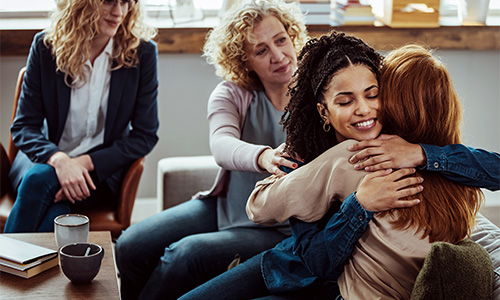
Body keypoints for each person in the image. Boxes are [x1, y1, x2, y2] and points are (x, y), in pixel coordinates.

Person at [179, 33, 497, 299]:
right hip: (293, 265)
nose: (363, 109)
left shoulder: (395, 150)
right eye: (345, 101)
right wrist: (360, 205)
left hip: (330, 283)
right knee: (188, 261)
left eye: (373, 95)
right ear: (324, 111)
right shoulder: (322, 154)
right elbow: (288, 232)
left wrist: (421, 153)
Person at [114, 1, 309, 299]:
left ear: (292, 35)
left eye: (281, 40)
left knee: (184, 254)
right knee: (130, 244)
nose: (278, 56)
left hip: (281, 229)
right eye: (261, 50)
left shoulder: (319, 94)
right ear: (244, 61)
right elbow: (221, 145)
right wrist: (263, 156)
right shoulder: (231, 93)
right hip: (227, 207)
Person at [4, 0, 159, 233]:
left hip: (98, 175)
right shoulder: (46, 47)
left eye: (126, 2)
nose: (118, 12)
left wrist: (81, 165)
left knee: (43, 189)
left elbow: (144, 136)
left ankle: (7, 266)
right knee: (44, 187)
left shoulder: (143, 53)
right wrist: (60, 161)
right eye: (108, 1)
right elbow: (24, 126)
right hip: (44, 160)